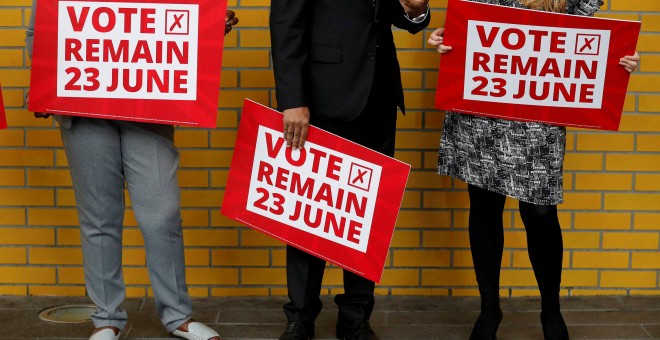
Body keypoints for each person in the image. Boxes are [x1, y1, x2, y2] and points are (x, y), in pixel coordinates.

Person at [25, 2, 238, 340]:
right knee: (99, 216)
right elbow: (41, 30)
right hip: (83, 105)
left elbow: (175, 21)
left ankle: (178, 316)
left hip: (149, 105)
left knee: (162, 215)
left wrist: (206, 27)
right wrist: (44, 84)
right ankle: (107, 318)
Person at [427, 0, 640, 339]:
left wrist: (619, 60)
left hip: (537, 111)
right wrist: (448, 39)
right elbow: (468, 26)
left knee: (539, 213)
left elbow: (586, 42)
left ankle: (550, 309)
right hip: (483, 106)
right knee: (484, 206)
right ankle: (489, 309)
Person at [269, 0, 430, 339]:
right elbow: (287, 24)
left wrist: (415, 11)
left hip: (378, 95)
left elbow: (398, 14)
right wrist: (292, 100)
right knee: (309, 207)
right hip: (321, 96)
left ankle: (355, 315)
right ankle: (300, 316)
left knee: (367, 213)